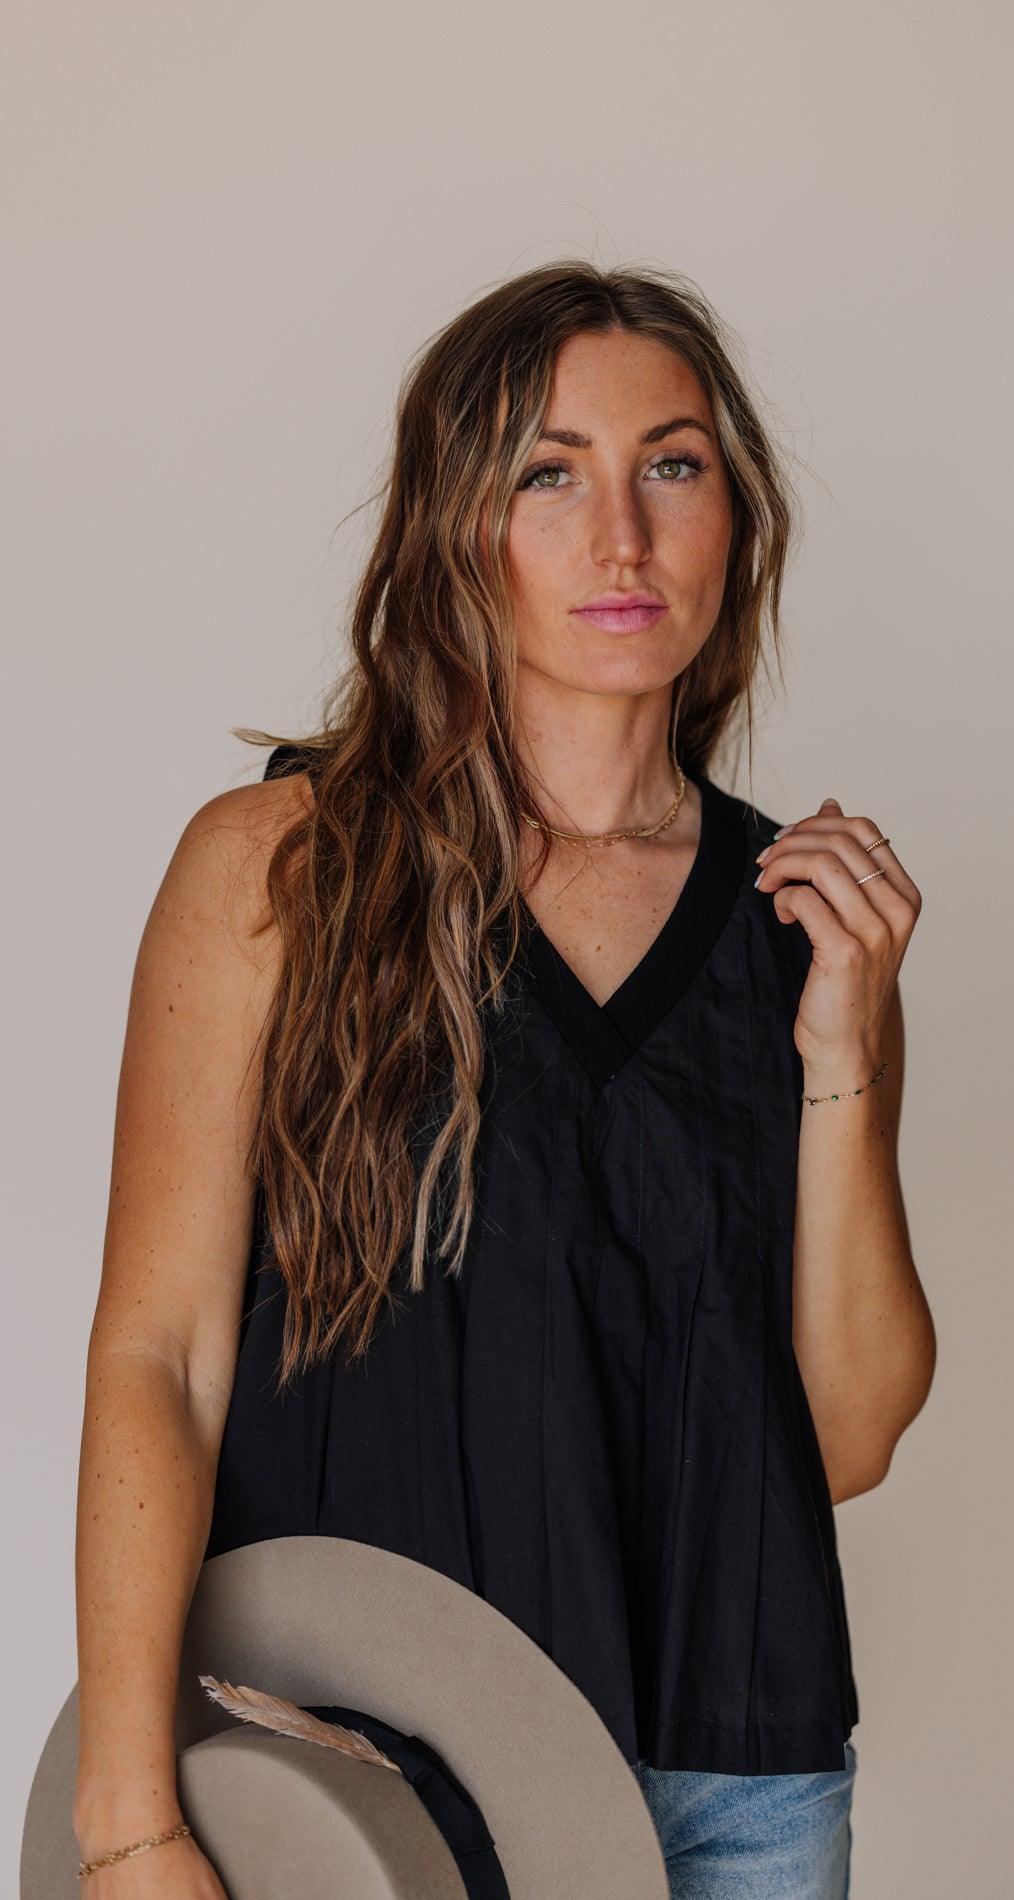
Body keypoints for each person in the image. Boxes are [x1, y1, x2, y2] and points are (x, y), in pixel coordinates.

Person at [73, 260, 935, 1898]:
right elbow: (159, 1358)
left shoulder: (803, 926)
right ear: (455, 525)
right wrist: (128, 1817)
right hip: (350, 1763)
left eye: (671, 465)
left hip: (732, 1787)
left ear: (736, 520)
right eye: (551, 473)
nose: (622, 536)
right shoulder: (279, 871)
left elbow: (842, 1438)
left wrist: (843, 1051)